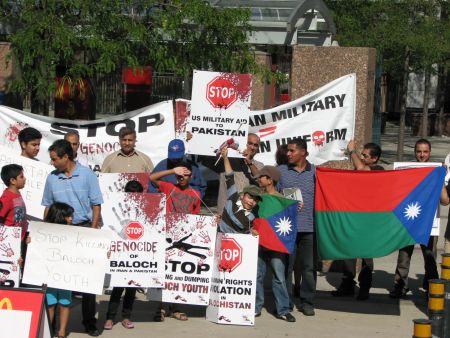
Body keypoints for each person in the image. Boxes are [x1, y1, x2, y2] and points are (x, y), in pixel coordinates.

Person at [41, 139, 103, 337]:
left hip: (83, 229)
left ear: (66, 157)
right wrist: (45, 233)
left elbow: (96, 205)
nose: (52, 163)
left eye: (54, 159)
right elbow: (48, 206)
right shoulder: (51, 178)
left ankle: (89, 322)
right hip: (59, 233)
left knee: (86, 280)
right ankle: (54, 325)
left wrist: (92, 231)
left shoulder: (87, 175)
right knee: (56, 279)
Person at [389, 138, 447, 298]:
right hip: (408, 222)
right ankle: (400, 286)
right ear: (415, 152)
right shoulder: (407, 170)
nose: (422, 155)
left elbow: (445, 201)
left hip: (428, 223)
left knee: (429, 257)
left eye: (425, 151)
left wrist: (441, 179)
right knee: (404, 256)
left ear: (430, 153)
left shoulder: (437, 171)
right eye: (419, 151)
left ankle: (431, 287)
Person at [149, 162, 202, 322]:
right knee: (163, 273)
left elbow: (195, 217)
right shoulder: (168, 187)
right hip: (166, 236)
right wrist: (172, 170)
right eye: (179, 175)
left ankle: (176, 308)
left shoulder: (196, 194)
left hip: (184, 238)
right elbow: (151, 178)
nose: (181, 178)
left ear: (191, 176)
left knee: (179, 275)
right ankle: (161, 307)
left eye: (185, 175)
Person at [331, 140, 383, 301]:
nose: (362, 157)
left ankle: (365, 287)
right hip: (354, 217)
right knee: (348, 251)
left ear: (374, 159)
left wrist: (352, 151)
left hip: (369, 220)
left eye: (365, 155)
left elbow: (362, 170)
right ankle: (347, 284)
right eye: (361, 154)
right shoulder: (360, 167)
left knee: (367, 255)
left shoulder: (378, 170)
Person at [278, 138, 316, 316]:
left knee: (308, 268)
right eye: (287, 150)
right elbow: (272, 194)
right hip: (287, 228)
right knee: (288, 267)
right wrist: (285, 202)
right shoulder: (281, 171)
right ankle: (286, 302)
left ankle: (307, 302)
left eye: (292, 151)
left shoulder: (316, 172)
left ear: (303, 152)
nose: (288, 154)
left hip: (309, 228)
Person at [255, 165, 295, 322]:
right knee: (258, 275)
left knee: (279, 276)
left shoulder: (284, 201)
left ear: (270, 180)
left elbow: (289, 220)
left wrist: (295, 208)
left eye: (261, 177)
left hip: (276, 244)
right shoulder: (257, 197)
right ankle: (256, 307)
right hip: (259, 242)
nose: (258, 179)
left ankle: (283, 309)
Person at [104, 180, 143, 331]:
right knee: (118, 286)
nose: (133, 198)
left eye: (136, 196)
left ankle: (126, 316)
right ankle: (110, 318)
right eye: (130, 195)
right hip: (120, 252)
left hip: (138, 253)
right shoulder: (116, 208)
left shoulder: (145, 208)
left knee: (131, 287)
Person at [200, 133, 263, 214]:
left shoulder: (259, 166)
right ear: (244, 143)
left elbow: (260, 181)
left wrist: (250, 163)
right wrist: (189, 140)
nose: (252, 147)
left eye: (255, 145)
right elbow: (204, 157)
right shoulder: (225, 160)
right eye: (249, 143)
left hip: (246, 216)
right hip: (224, 213)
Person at [44, 202, 75, 338]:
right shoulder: (44, 232)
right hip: (49, 274)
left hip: (66, 274)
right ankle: (47, 331)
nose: (71, 219)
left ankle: (62, 332)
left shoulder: (75, 233)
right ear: (59, 217)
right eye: (68, 216)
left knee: (65, 302)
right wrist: (30, 242)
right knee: (49, 304)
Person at [218, 147, 261, 234]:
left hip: (233, 244)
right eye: (250, 197)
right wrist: (225, 157)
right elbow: (229, 175)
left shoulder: (251, 218)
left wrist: (252, 233)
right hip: (218, 234)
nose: (252, 201)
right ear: (242, 195)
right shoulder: (233, 195)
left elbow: (246, 235)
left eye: (256, 200)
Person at [0, 164, 28, 266]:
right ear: (12, 181)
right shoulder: (6, 198)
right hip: (11, 243)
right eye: (21, 176)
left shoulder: (17, 194)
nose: (25, 179)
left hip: (20, 240)